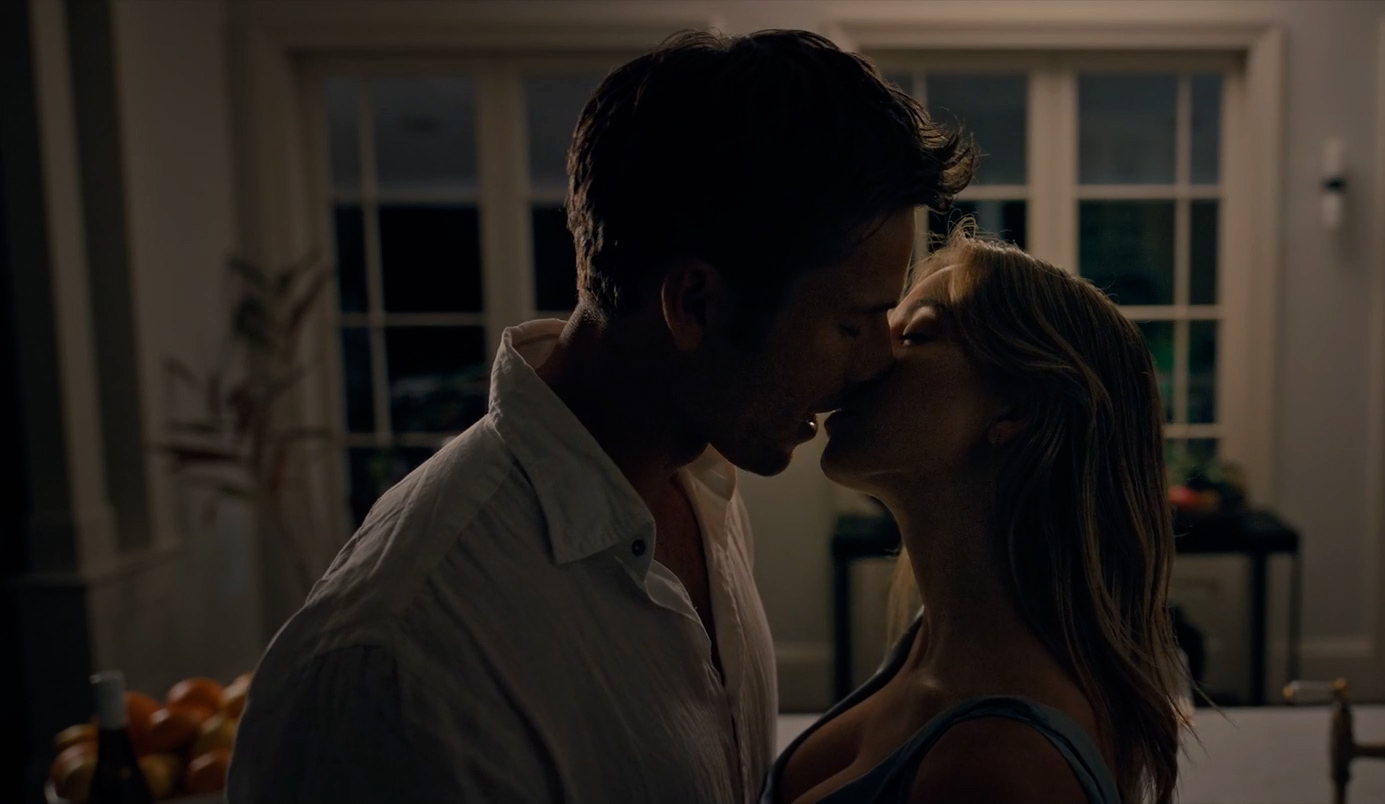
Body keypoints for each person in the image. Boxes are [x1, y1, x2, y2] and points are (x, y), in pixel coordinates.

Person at [229, 30, 974, 804]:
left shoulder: (703, 487)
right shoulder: (394, 665)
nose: (877, 364)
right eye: (851, 326)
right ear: (695, 304)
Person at [767, 234, 1189, 804]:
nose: (868, 358)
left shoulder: (1000, 766)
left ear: (1017, 409)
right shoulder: (934, 640)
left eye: (916, 334)